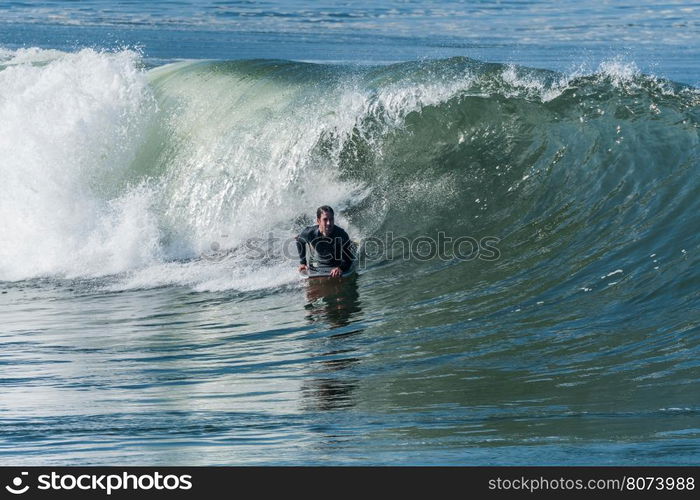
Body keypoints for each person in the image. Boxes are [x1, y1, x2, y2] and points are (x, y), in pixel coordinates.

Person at [297, 206, 355, 278]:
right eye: (325, 219)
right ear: (318, 221)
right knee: (313, 264)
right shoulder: (309, 232)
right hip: (317, 263)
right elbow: (299, 241)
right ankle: (311, 246)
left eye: (331, 219)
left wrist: (340, 268)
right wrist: (303, 263)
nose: (329, 223)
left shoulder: (341, 235)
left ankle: (352, 242)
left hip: (335, 262)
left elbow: (349, 260)